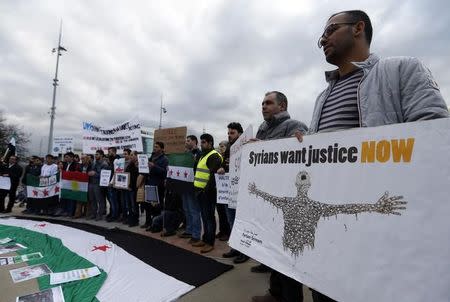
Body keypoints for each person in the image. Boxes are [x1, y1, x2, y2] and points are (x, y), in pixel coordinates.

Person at [295, 10, 449, 302]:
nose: (323, 39)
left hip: (379, 232)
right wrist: (298, 147)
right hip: (330, 232)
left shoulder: (401, 69)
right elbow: (323, 155)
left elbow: (434, 138)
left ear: (358, 28)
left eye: (329, 30)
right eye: (321, 37)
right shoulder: (322, 97)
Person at [251, 91, 308, 302]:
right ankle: (275, 293)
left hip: (287, 202)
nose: (263, 106)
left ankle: (292, 298)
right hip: (267, 199)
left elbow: (304, 156)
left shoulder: (294, 126)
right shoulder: (262, 129)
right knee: (273, 251)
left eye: (268, 103)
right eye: (262, 103)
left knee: (288, 255)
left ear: (282, 106)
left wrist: (301, 142)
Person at [219, 122, 250, 264]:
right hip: (229, 191)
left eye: (232, 133)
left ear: (240, 133)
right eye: (228, 133)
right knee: (231, 220)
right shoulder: (229, 148)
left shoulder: (246, 146)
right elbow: (225, 165)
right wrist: (222, 169)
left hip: (241, 192)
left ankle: (244, 252)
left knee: (241, 222)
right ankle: (235, 247)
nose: (229, 135)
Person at [192, 133, 223, 253]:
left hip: (208, 193)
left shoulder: (214, 156)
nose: (201, 144)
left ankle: (210, 242)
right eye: (201, 142)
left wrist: (205, 191)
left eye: (204, 142)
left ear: (210, 143)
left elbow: (213, 177)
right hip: (199, 191)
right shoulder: (202, 155)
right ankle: (205, 239)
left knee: (209, 218)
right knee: (204, 217)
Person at [178, 135, 203, 245]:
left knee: (194, 210)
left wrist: (194, 161)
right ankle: (189, 230)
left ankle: (196, 234)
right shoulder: (186, 154)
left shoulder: (199, 154)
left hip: (193, 186)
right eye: (186, 140)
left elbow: (199, 168)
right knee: (186, 209)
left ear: (194, 141)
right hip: (184, 185)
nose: (186, 142)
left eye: (188, 140)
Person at [143, 142, 169, 230]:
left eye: (157, 147)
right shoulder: (152, 157)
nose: (154, 148)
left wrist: (154, 166)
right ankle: (149, 223)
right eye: (154, 147)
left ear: (162, 149)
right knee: (149, 205)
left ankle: (157, 225)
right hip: (150, 184)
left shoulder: (165, 159)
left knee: (157, 206)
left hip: (158, 185)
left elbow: (165, 172)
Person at [87, 150, 109, 220]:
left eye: (97, 154)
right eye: (95, 154)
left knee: (100, 200)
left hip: (98, 184)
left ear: (101, 155)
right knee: (92, 200)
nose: (95, 156)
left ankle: (100, 215)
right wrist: (90, 172)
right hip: (91, 183)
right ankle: (94, 213)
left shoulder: (104, 164)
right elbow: (91, 170)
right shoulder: (93, 163)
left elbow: (105, 176)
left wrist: (95, 174)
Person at [106, 147, 120, 222]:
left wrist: (111, 182)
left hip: (113, 183)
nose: (108, 153)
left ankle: (115, 215)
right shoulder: (110, 160)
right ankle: (112, 213)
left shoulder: (117, 160)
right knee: (111, 200)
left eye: (110, 151)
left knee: (114, 200)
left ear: (114, 152)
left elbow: (116, 172)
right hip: (109, 183)